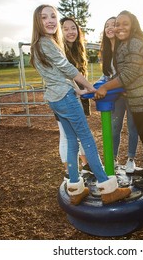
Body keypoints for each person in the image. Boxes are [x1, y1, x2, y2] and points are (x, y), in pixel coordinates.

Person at [30, 4, 131, 205]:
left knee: (71, 140)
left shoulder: (38, 45)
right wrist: (91, 87)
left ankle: (75, 188)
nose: (50, 21)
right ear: (37, 21)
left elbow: (54, 77)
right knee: (87, 140)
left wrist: (78, 90)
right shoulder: (47, 43)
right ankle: (107, 188)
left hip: (56, 98)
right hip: (65, 98)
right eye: (44, 17)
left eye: (53, 16)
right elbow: (66, 68)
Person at [94, 10, 143, 189]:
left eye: (124, 23)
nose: (119, 27)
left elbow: (129, 74)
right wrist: (120, 86)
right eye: (117, 24)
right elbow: (126, 73)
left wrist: (105, 87)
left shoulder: (133, 43)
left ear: (133, 25)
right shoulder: (125, 43)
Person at [99, 16, 140, 174]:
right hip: (116, 95)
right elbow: (107, 75)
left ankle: (131, 158)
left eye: (113, 25)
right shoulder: (105, 51)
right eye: (106, 25)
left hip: (131, 94)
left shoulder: (124, 46)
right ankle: (113, 159)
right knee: (114, 127)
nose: (110, 28)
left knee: (132, 126)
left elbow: (130, 72)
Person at [56, 17, 90, 175]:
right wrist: (79, 89)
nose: (70, 32)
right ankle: (69, 172)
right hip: (65, 97)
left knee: (81, 132)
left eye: (73, 28)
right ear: (60, 31)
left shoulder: (78, 50)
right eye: (66, 29)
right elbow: (65, 76)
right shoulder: (59, 50)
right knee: (66, 135)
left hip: (79, 96)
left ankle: (86, 164)